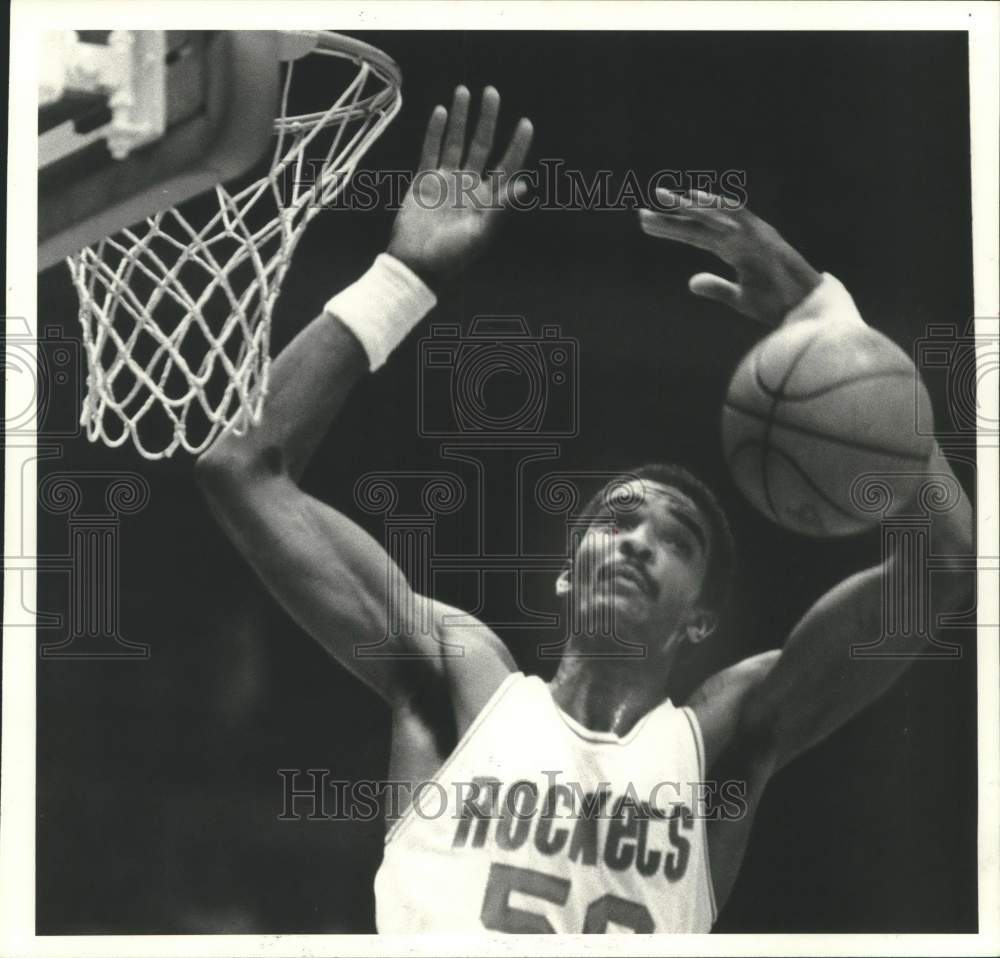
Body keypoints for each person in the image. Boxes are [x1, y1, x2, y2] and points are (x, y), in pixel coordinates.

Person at [195, 86, 974, 933]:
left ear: (702, 621)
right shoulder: (465, 682)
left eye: (676, 540)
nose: (639, 542)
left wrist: (833, 329)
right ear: (566, 579)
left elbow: (943, 567)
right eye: (616, 521)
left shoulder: (721, 743)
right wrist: (403, 278)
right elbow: (243, 466)